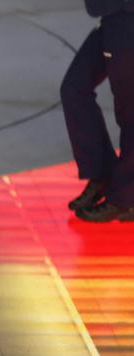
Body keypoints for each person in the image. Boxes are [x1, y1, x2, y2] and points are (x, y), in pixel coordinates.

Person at [61, 1, 134, 222]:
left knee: (129, 112)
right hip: (112, 20)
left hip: (126, 21)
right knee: (74, 88)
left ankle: (124, 198)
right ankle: (102, 173)